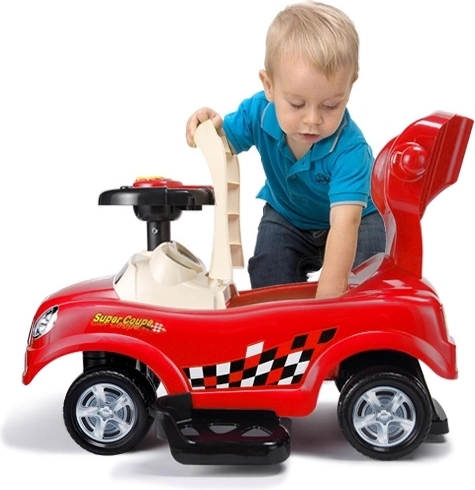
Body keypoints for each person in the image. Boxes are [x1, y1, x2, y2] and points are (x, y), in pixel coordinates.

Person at [185, 1, 386, 298]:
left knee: (368, 282)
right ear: (269, 86)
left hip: (357, 220)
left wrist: (328, 305)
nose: (312, 119)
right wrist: (204, 128)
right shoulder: (258, 113)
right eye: (297, 104)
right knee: (269, 273)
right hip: (288, 216)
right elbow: (222, 142)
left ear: (349, 86)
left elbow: (345, 223)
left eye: (330, 105)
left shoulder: (351, 151)